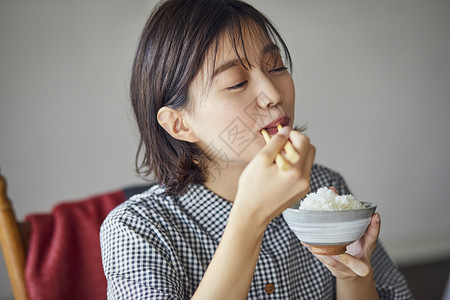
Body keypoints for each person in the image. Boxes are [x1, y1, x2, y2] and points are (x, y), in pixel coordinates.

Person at [100, 0, 413, 299]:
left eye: (276, 66)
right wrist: (250, 217)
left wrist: (351, 276)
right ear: (179, 124)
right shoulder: (137, 229)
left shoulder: (324, 191)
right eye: (236, 82)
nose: (273, 94)